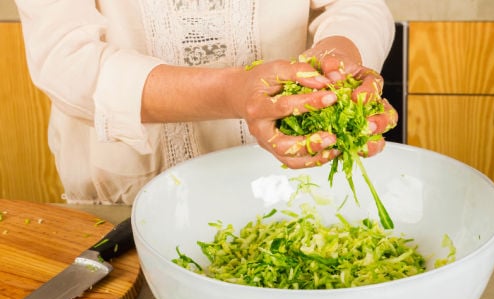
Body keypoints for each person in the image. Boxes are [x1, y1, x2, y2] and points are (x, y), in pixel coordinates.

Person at [15, 0, 398, 204]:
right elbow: (65, 61)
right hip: (128, 199)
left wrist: (338, 56)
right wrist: (233, 92)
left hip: (291, 186)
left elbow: (355, 6)